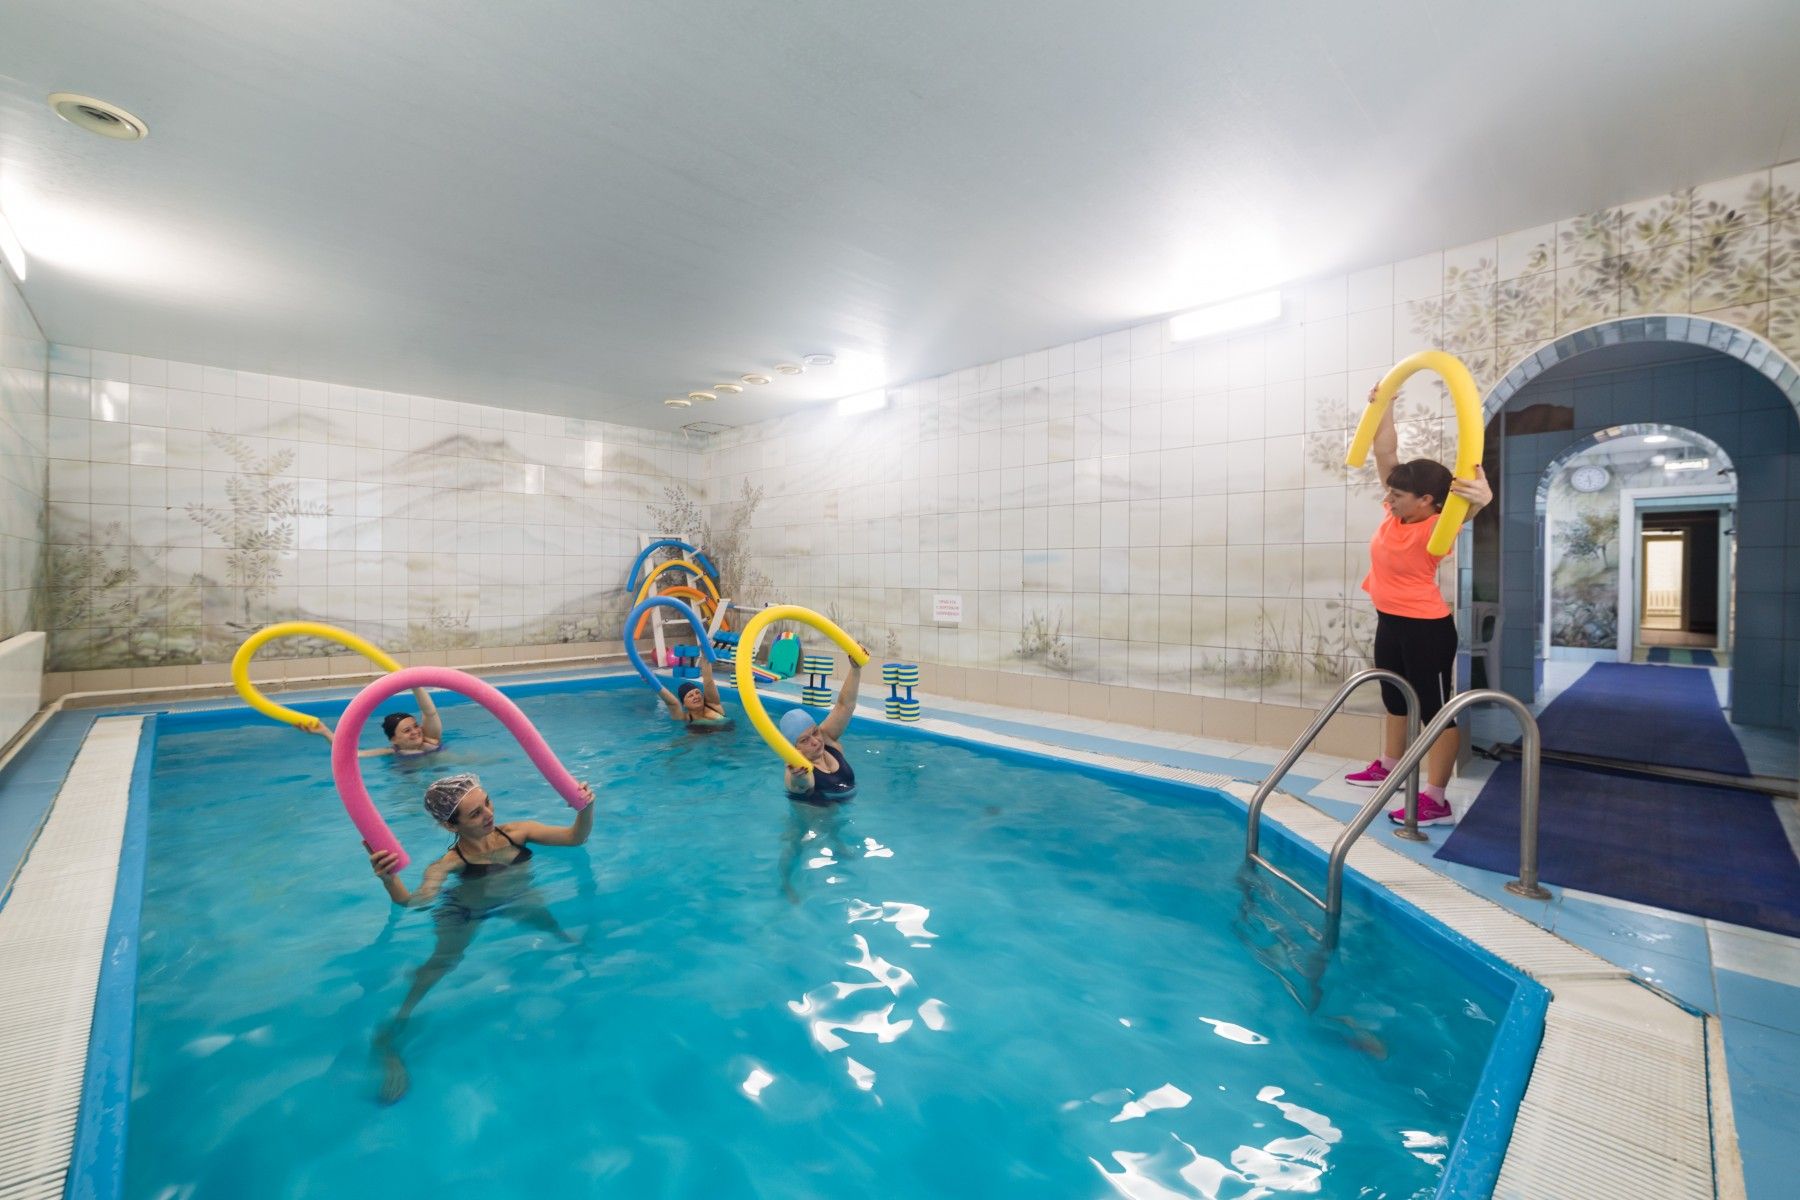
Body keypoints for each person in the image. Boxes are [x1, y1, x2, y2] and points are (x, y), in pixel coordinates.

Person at [366, 771, 595, 1101]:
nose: (488, 814)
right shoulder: (447, 864)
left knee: (556, 929)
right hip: (466, 910)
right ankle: (388, 1039)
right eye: (475, 813)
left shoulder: (518, 832)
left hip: (515, 897)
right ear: (451, 825)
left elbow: (575, 837)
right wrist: (389, 879)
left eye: (487, 802)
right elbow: (416, 902)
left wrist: (585, 807)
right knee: (442, 964)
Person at [1341, 383, 1491, 827]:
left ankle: (1437, 798)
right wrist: (1383, 404)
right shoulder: (1396, 515)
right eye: (1391, 494)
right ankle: (1389, 766)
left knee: (1434, 711)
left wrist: (1482, 499)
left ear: (1427, 500)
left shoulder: (1437, 527)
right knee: (1393, 696)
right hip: (1390, 621)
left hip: (1427, 629)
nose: (1388, 500)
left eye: (1398, 496)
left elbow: (1472, 506)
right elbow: (1386, 451)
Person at [780, 650, 865, 803]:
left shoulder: (827, 740)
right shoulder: (796, 768)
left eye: (815, 732)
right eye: (804, 740)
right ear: (794, 749)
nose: (816, 741)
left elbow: (844, 706)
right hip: (817, 818)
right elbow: (800, 783)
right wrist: (798, 775)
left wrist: (855, 668)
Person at [307, 686, 444, 758]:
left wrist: (415, 685)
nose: (415, 731)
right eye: (407, 730)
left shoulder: (430, 739)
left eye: (415, 726)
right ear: (394, 739)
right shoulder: (391, 752)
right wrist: (325, 732)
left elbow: (429, 713)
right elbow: (354, 754)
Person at [656, 656, 730, 728]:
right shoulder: (685, 718)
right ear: (684, 704)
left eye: (697, 692)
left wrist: (704, 655)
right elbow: (671, 704)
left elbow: (708, 680)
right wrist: (653, 682)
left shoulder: (713, 705)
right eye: (690, 696)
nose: (696, 696)